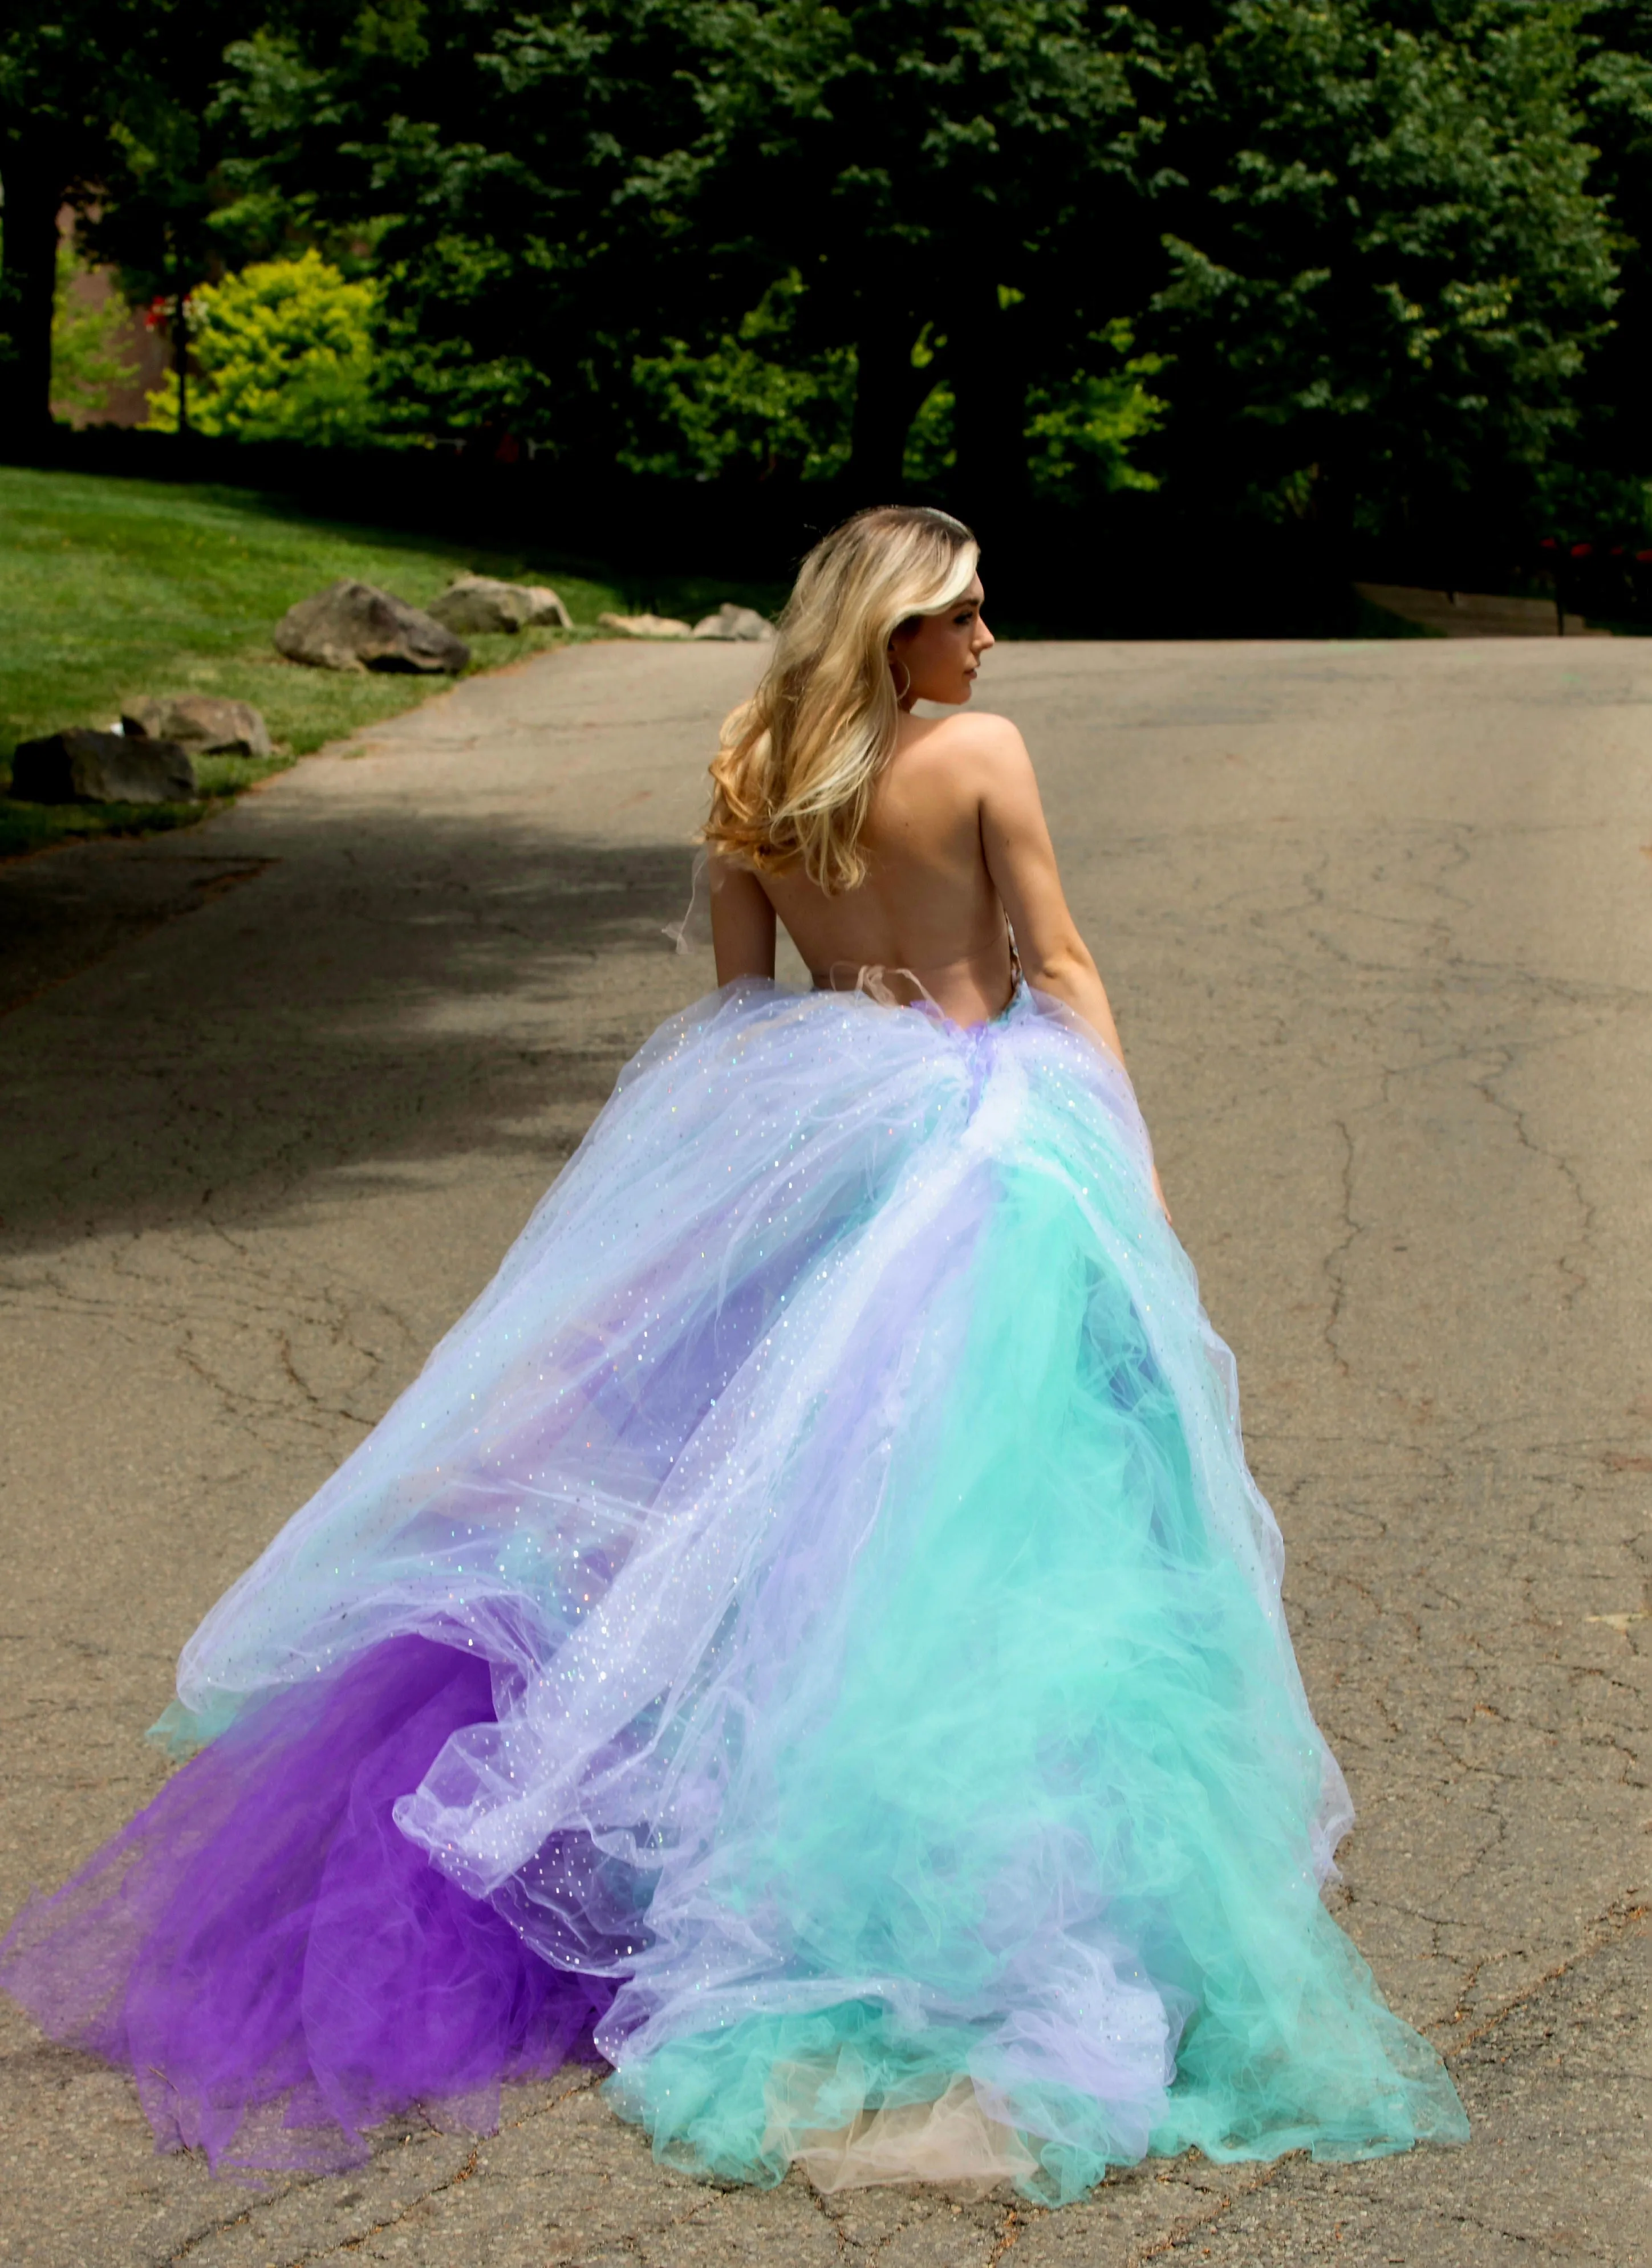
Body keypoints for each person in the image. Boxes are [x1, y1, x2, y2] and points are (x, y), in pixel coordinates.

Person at [0, 506, 1467, 2202]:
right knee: (1002, 1518)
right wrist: (1127, 1171)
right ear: (899, 630)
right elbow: (1057, 967)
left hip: (825, 1129)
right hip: (989, 1149)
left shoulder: (750, 757)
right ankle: (984, 1885)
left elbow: (742, 1009)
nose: (988, 643)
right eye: (965, 614)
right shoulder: (980, 753)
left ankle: (743, 1826)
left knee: (779, 1497)